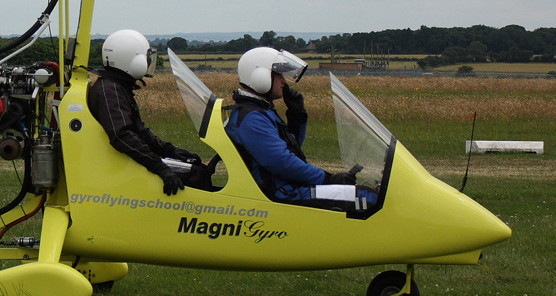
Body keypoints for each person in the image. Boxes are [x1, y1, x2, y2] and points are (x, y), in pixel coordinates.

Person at [228, 46, 366, 207]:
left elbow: (290, 147)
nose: (284, 81)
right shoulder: (253, 118)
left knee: (360, 194)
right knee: (364, 198)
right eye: (279, 75)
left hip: (286, 187)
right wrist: (328, 179)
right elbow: (282, 162)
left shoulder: (260, 110)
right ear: (259, 76)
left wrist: (297, 116)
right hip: (282, 193)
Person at [88, 29, 207, 195]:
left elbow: (140, 131)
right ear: (133, 59)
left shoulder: (116, 87)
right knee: (196, 175)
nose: (148, 61)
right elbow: (122, 136)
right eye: (146, 57)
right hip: (118, 165)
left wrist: (169, 150)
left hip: (121, 161)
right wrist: (160, 167)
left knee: (197, 168)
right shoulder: (110, 92)